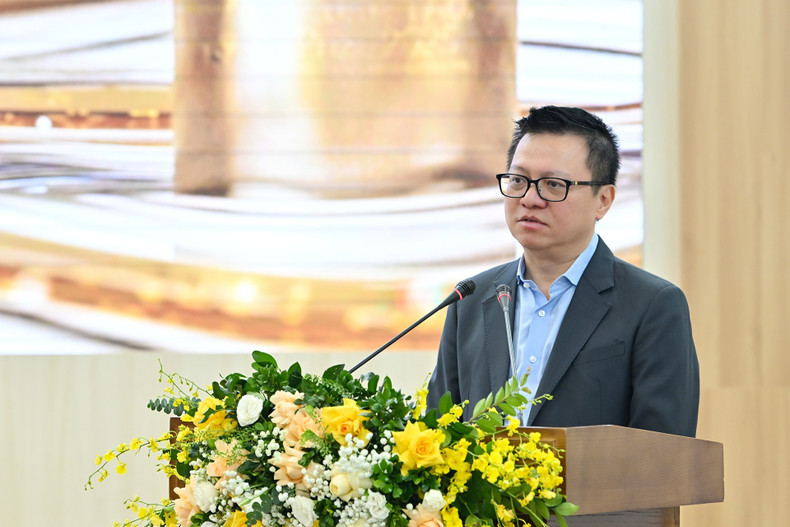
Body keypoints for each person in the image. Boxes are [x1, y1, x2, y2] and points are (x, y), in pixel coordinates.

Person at [427, 106, 699, 437]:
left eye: (553, 185)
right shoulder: (469, 299)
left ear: (603, 200)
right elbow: (439, 434)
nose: (529, 198)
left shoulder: (652, 306)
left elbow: (664, 453)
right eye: (518, 180)